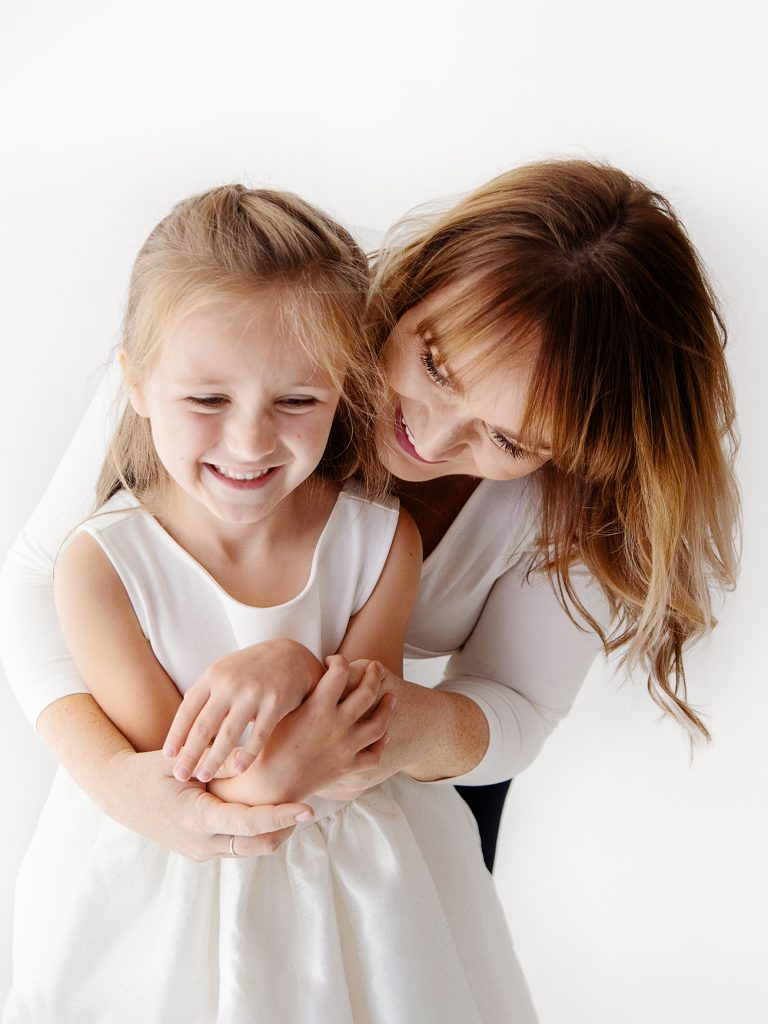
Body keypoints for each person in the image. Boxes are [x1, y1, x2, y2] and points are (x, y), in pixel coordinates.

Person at [0, 159, 738, 961]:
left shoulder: (574, 508)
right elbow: (41, 573)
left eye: (509, 439)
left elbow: (518, 706)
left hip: (392, 775)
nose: (434, 433)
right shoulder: (248, 339)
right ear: (421, 282)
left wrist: (371, 715)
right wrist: (113, 778)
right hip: (180, 750)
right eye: (435, 364)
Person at [2, 186, 535, 1022]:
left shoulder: (381, 541)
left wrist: (289, 662)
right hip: (163, 888)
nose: (250, 442)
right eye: (207, 400)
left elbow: (363, 729)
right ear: (135, 385)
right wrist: (293, 735)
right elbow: (196, 790)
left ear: (345, 389)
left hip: (361, 887)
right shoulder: (101, 567)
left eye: (297, 401)